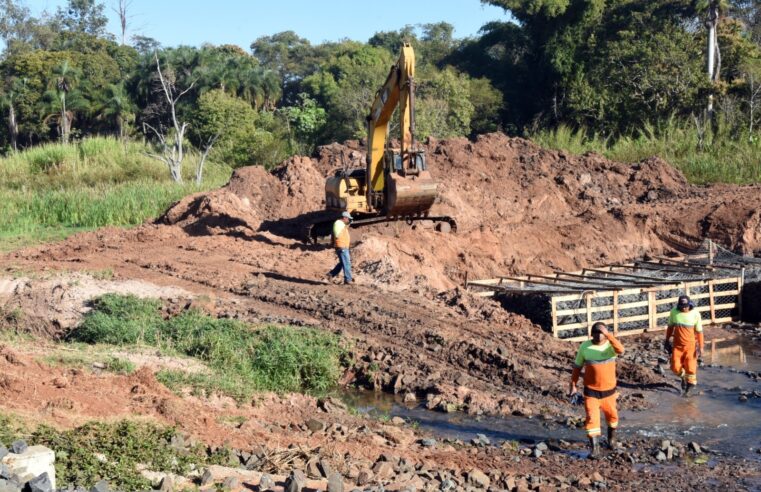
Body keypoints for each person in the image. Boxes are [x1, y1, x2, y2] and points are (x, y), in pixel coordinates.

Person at [569, 322, 625, 458]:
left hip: (609, 392)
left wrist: (609, 335)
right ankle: (595, 448)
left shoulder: (610, 346)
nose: (599, 335)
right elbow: (577, 367)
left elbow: (621, 350)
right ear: (591, 334)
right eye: (596, 332)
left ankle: (611, 440)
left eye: (601, 333)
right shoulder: (585, 346)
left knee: (612, 417)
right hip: (591, 391)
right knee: (592, 419)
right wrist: (573, 384)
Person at [665, 295, 703, 396]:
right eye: (682, 306)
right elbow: (670, 327)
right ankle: (683, 377)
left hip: (690, 347)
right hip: (677, 346)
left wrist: (701, 347)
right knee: (675, 367)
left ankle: (688, 391)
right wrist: (667, 340)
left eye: (686, 306)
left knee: (691, 369)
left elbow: (699, 332)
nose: (684, 308)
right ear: (679, 306)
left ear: (689, 304)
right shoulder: (674, 312)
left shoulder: (695, 314)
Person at [326, 211, 354, 284]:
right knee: (347, 263)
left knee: (342, 263)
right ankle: (348, 279)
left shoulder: (340, 224)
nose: (348, 220)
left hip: (342, 246)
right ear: (344, 218)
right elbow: (337, 234)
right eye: (348, 219)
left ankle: (331, 274)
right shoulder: (338, 223)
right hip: (342, 246)